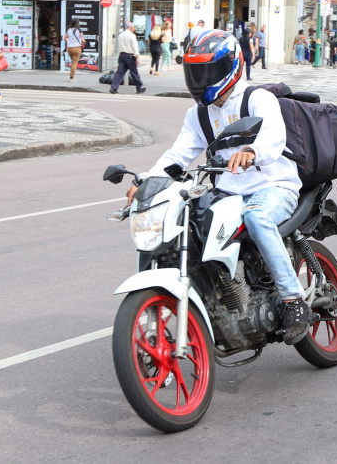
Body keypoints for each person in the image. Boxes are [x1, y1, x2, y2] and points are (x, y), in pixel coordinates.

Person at [125, 29, 311, 345]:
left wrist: (252, 152)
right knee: (188, 222)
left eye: (208, 71)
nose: (201, 79)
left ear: (230, 66)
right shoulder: (198, 114)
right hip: (228, 192)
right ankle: (219, 296)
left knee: (256, 216)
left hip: (273, 186)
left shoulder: (257, 98)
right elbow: (177, 157)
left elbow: (274, 138)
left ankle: (294, 300)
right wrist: (146, 181)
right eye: (195, 72)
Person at [110, 23, 146, 94]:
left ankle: (113, 87)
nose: (134, 29)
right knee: (134, 72)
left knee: (119, 72)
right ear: (131, 28)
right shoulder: (132, 36)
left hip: (122, 55)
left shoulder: (120, 35)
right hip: (130, 56)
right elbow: (135, 47)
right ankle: (139, 88)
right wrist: (137, 57)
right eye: (133, 28)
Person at [64, 18, 85, 82]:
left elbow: (64, 39)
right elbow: (82, 40)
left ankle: (71, 75)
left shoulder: (68, 30)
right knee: (74, 63)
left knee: (73, 61)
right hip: (77, 48)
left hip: (70, 48)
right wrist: (84, 41)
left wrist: (70, 41)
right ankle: (71, 77)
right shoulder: (79, 30)